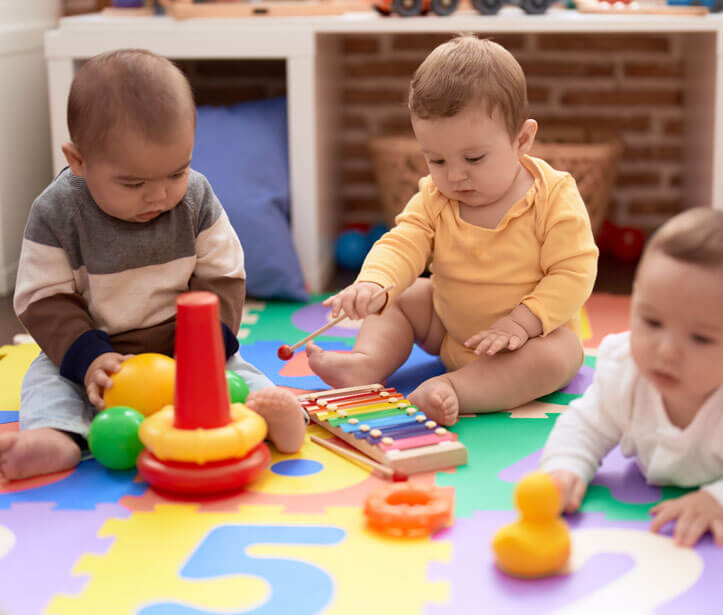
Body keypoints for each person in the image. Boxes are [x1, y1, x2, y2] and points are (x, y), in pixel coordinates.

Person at [1, 49, 305, 481]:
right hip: (94, 353)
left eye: (176, 173)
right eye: (134, 183)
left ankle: (269, 419)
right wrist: (88, 358)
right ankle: (57, 437)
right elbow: (43, 298)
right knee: (47, 384)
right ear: (78, 161)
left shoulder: (196, 198)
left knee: (238, 376)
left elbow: (223, 275)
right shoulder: (57, 213)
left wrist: (204, 348)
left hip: (185, 348)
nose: (160, 196)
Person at [308, 34, 598, 426]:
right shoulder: (435, 197)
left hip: (527, 340)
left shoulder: (554, 196)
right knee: (403, 294)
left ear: (522, 140)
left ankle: (457, 389)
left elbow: (574, 272)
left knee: (557, 354)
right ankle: (366, 364)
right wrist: (374, 282)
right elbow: (403, 242)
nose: (456, 175)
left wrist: (522, 322)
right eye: (436, 159)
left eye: (474, 158)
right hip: (449, 330)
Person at [540, 207, 723, 547]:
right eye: (652, 322)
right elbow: (586, 425)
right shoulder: (626, 370)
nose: (666, 351)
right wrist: (566, 466)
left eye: (700, 338)